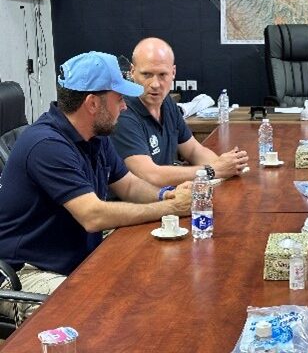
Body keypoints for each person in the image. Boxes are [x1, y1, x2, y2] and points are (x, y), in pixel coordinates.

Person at [0, 52, 193, 321]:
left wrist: (165, 193)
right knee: (103, 314)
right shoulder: (47, 146)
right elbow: (93, 216)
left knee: (155, 277)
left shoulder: (95, 135)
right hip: (27, 272)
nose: (125, 107)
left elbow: (128, 185)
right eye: (119, 99)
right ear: (92, 103)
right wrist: (168, 207)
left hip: (71, 254)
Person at [110, 37, 249, 187]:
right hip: (135, 206)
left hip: (167, 199)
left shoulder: (167, 102)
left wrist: (227, 166)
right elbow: (149, 175)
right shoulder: (123, 112)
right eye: (147, 75)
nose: (155, 84)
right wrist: (213, 170)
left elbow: (194, 151)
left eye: (162, 75)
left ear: (173, 72)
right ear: (132, 72)